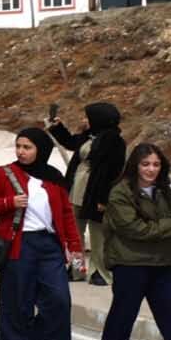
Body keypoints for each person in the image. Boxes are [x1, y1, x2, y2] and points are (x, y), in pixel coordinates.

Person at [0, 128, 84, 340]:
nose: (21, 152)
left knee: (58, 300)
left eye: (27, 147)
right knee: (18, 301)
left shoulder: (54, 178)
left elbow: (67, 215)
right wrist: (8, 203)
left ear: (41, 150)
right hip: (19, 243)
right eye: (19, 146)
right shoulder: (4, 173)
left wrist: (76, 248)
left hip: (50, 247)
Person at [91, 143, 171, 340]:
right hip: (130, 262)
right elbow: (135, 229)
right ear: (135, 165)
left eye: (156, 164)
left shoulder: (165, 192)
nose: (151, 169)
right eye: (145, 164)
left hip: (163, 263)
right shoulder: (120, 192)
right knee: (124, 316)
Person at [50, 102, 126, 286]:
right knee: (75, 232)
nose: (85, 120)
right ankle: (77, 268)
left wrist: (104, 198)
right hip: (78, 189)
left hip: (96, 193)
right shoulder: (90, 136)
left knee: (98, 234)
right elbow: (70, 142)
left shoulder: (114, 141)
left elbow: (114, 172)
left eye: (88, 117)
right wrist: (57, 127)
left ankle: (99, 271)